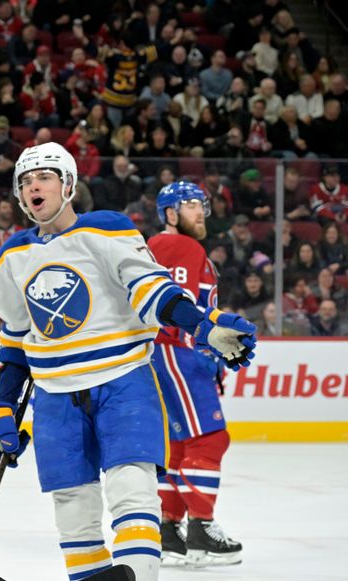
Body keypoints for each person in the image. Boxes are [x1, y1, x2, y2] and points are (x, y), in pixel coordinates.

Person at [0, 143, 257, 581]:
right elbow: (15, 337)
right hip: (54, 396)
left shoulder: (107, 230)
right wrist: (2, 404)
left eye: (45, 177)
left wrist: (202, 327)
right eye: (26, 181)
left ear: (68, 184)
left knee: (132, 486)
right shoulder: (11, 257)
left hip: (122, 382)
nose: (34, 186)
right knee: (72, 504)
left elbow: (153, 292)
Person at [146, 182, 244, 568]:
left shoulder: (158, 246)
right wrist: (202, 347)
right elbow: (177, 307)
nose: (199, 211)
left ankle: (169, 532)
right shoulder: (181, 246)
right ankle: (202, 529)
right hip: (177, 353)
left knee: (179, 445)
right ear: (170, 213)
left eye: (201, 205)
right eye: (188, 205)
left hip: (165, 354)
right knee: (209, 439)